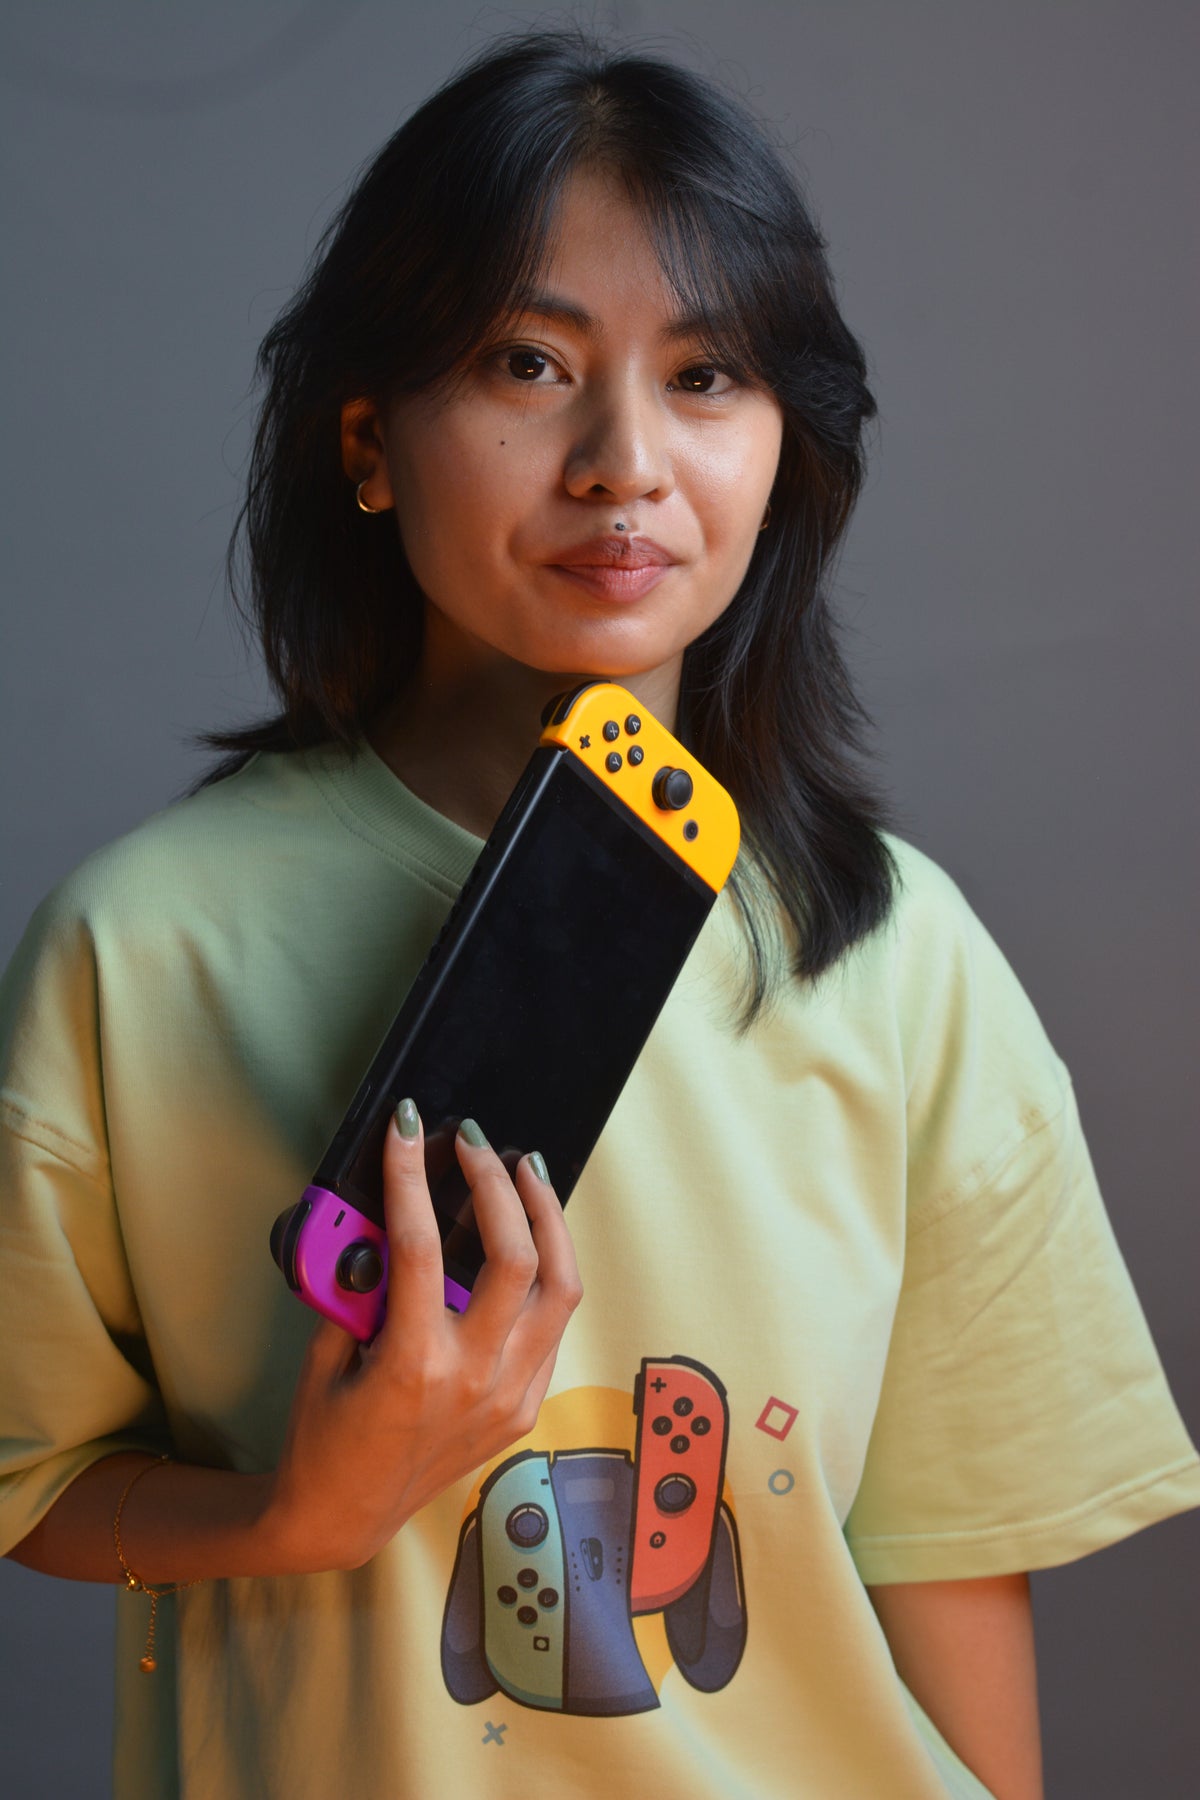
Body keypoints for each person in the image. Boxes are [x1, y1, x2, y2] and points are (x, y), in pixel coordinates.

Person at [1, 30, 1196, 1800]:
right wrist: (295, 1516)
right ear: (368, 441)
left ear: (787, 446)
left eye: (707, 375)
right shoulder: (139, 951)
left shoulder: (899, 958)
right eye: (528, 363)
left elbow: (948, 1581)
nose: (623, 460)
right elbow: (33, 1474)